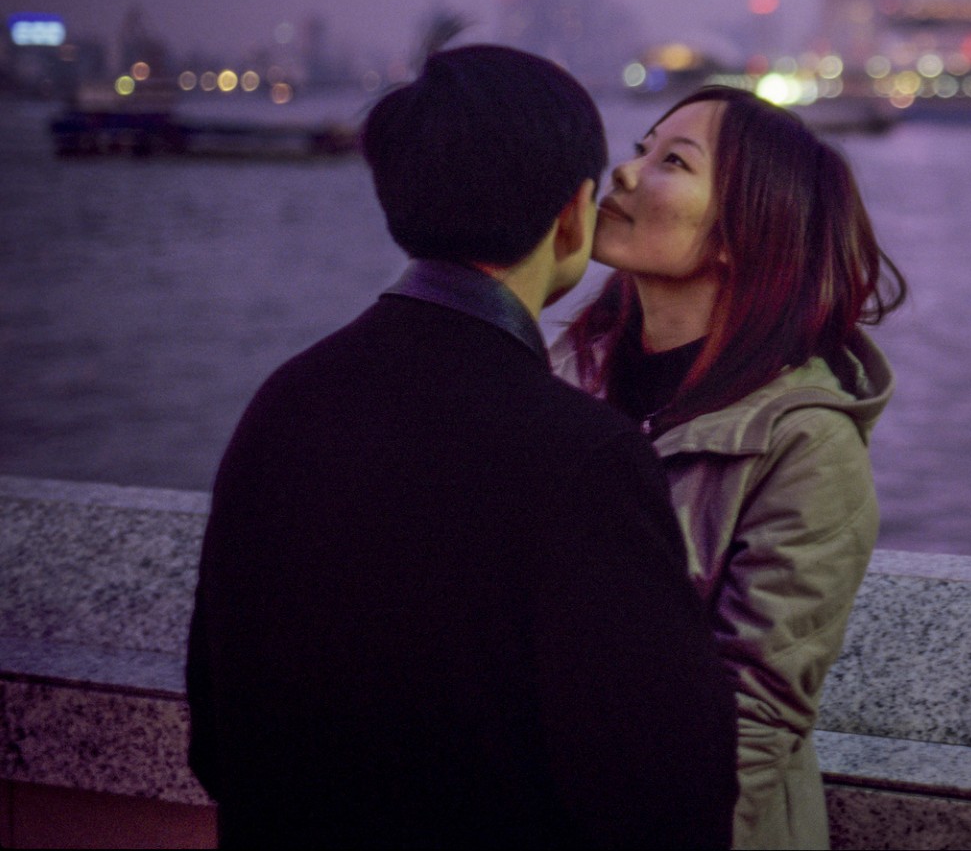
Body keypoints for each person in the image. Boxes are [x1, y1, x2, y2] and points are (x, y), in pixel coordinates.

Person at [187, 45, 737, 849]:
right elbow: (665, 792)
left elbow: (217, 727)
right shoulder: (584, 459)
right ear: (573, 216)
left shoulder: (286, 401)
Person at [557, 85, 905, 851]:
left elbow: (754, 719)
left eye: (671, 162)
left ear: (740, 235)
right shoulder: (558, 383)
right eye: (642, 148)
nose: (623, 173)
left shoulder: (805, 445)